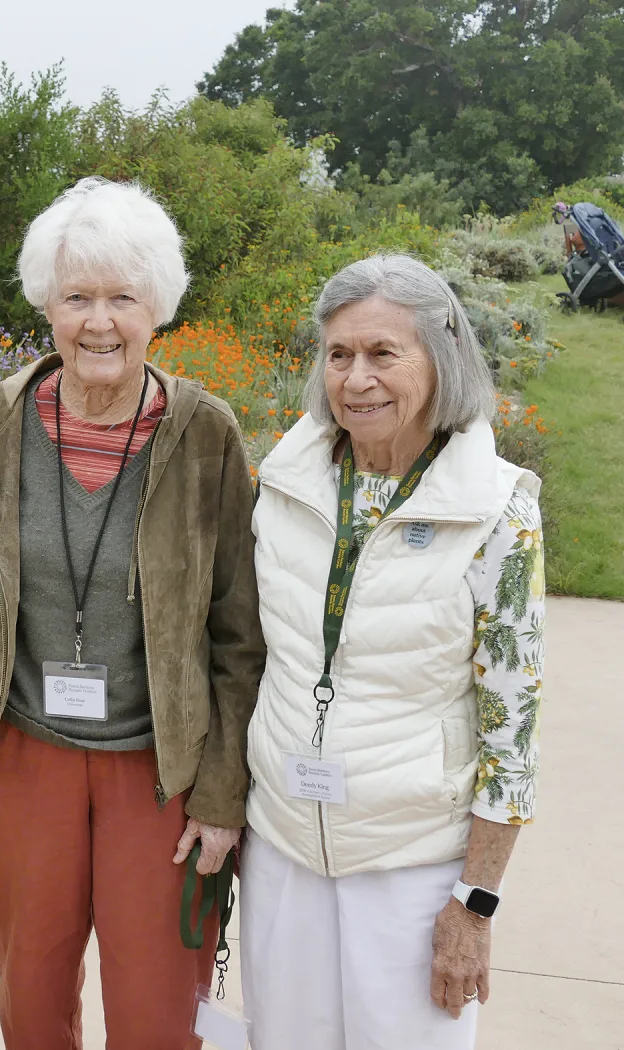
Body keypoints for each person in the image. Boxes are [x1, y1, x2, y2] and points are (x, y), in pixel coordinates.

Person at [0, 177, 265, 1049]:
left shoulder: (206, 434)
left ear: (160, 307)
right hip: (24, 752)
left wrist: (222, 794)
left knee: (157, 1009)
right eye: (77, 297)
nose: (100, 322)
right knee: (31, 995)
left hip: (161, 768)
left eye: (123, 297)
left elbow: (236, 630)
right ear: (48, 305)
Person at [240, 254, 545, 1049]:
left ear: (440, 358)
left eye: (383, 354)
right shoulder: (285, 483)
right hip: (282, 850)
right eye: (339, 355)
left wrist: (475, 904)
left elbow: (514, 726)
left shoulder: (496, 509)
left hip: (412, 868)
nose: (357, 379)